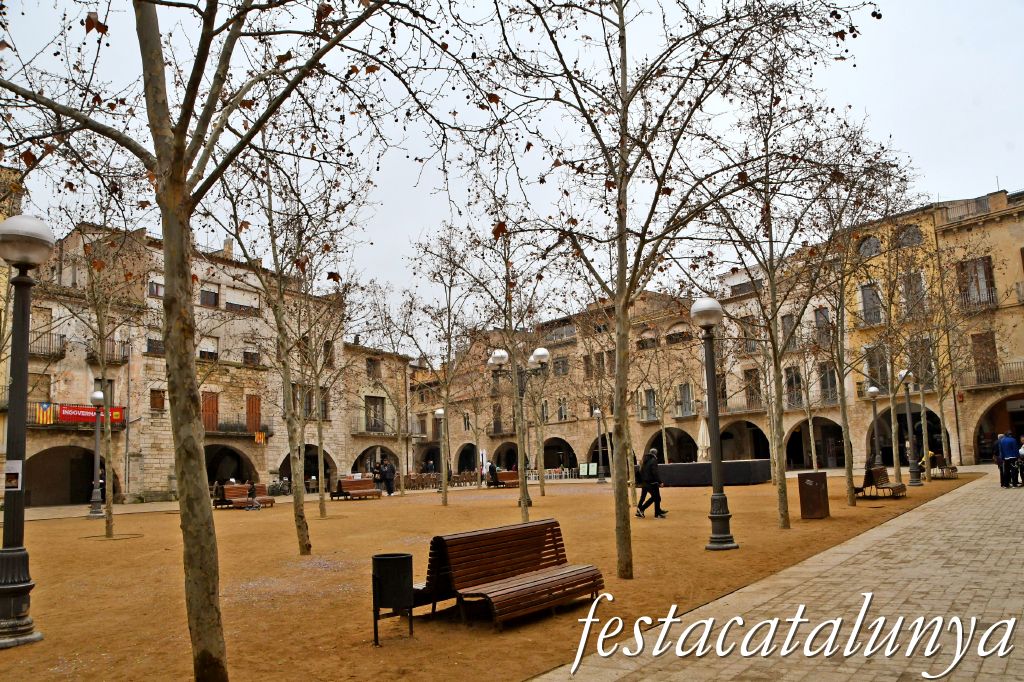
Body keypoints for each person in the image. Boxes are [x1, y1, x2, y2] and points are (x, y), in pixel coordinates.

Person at [636, 448, 667, 518]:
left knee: (654, 497)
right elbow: (654, 472)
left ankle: (657, 512)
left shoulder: (645, 460)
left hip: (645, 482)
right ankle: (641, 509)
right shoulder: (653, 460)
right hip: (651, 482)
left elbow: (640, 471)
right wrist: (660, 482)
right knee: (655, 497)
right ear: (656, 454)